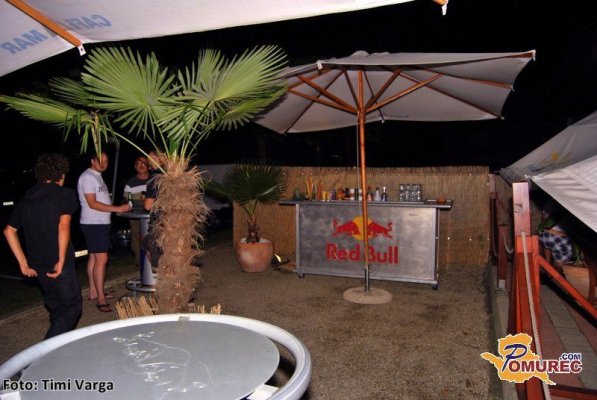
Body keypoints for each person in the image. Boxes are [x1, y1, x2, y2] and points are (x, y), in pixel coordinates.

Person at [3, 153, 82, 339]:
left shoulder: (27, 198)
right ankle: (44, 350)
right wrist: (61, 260)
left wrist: (23, 263)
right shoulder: (65, 194)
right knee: (71, 309)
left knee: (56, 309)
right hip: (58, 265)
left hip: (37, 266)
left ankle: (58, 349)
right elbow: (63, 227)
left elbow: (9, 231)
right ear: (61, 173)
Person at [78, 151, 131, 312]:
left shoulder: (96, 176)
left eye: (106, 161)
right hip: (94, 224)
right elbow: (92, 203)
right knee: (102, 259)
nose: (103, 164)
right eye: (100, 160)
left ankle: (94, 292)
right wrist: (118, 208)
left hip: (99, 223)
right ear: (92, 160)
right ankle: (101, 299)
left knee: (94, 258)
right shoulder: (88, 177)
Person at [123, 155, 150, 268]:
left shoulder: (154, 180)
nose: (141, 166)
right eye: (138, 164)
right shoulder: (131, 183)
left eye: (144, 163)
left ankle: (154, 263)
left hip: (152, 215)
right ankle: (140, 263)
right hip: (135, 216)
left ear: (148, 166)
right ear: (135, 167)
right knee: (137, 239)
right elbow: (127, 200)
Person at [538, 198, 575, 275]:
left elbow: (542, 220)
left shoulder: (549, 202)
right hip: (559, 238)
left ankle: (547, 267)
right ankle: (558, 274)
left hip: (545, 236)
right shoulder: (569, 203)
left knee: (547, 245)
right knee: (561, 267)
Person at [143, 150, 166, 267]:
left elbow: (148, 206)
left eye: (153, 158)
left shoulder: (154, 178)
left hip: (159, 223)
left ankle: (161, 273)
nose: (151, 161)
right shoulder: (173, 175)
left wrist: (144, 199)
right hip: (174, 221)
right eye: (149, 159)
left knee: (157, 257)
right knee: (145, 243)